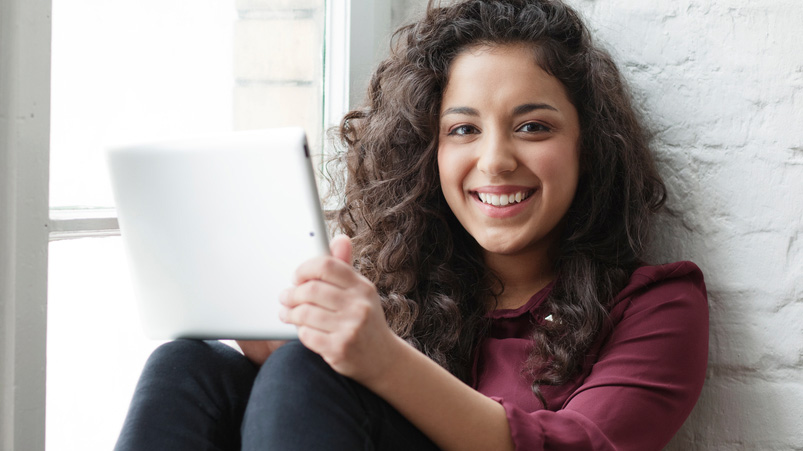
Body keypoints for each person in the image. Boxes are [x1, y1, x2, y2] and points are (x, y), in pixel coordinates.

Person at [114, 0, 708, 449]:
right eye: (463, 129)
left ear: (589, 148)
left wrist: (379, 359)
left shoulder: (656, 303)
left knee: (306, 367)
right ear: (428, 154)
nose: (496, 160)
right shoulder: (397, 292)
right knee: (188, 365)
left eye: (533, 127)